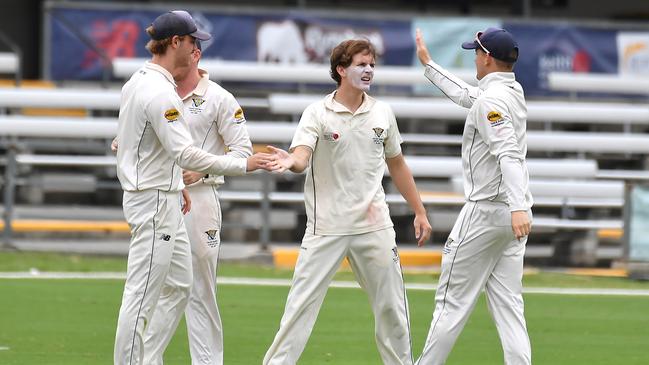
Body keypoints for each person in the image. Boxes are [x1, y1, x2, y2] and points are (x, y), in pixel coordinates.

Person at [113, 10, 269, 365]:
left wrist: (176, 180)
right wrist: (244, 164)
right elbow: (184, 152)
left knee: (183, 285)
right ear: (176, 42)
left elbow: (141, 144)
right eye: (191, 41)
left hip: (167, 196)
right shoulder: (159, 92)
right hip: (154, 202)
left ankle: (151, 358)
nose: (196, 48)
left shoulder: (137, 81)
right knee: (140, 296)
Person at [262, 39, 433, 365]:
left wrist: (420, 210)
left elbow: (396, 163)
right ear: (341, 69)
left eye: (371, 65)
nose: (368, 70)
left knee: (393, 310)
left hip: (374, 227)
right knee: (299, 310)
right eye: (361, 64)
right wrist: (291, 163)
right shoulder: (317, 113)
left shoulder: (382, 111)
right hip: (326, 227)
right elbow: (301, 156)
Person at [413, 28, 533, 365]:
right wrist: (429, 65)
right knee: (510, 307)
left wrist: (517, 207)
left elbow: (508, 153)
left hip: (488, 213)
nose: (474, 59)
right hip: (509, 218)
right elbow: (470, 97)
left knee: (451, 302)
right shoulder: (510, 91)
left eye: (476, 53)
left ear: (487, 58)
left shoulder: (491, 100)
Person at [141, 40, 253, 365]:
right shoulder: (156, 92)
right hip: (159, 197)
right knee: (156, 286)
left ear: (195, 54)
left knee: (200, 293)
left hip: (200, 205)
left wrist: (200, 173)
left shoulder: (218, 98)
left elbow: (243, 153)